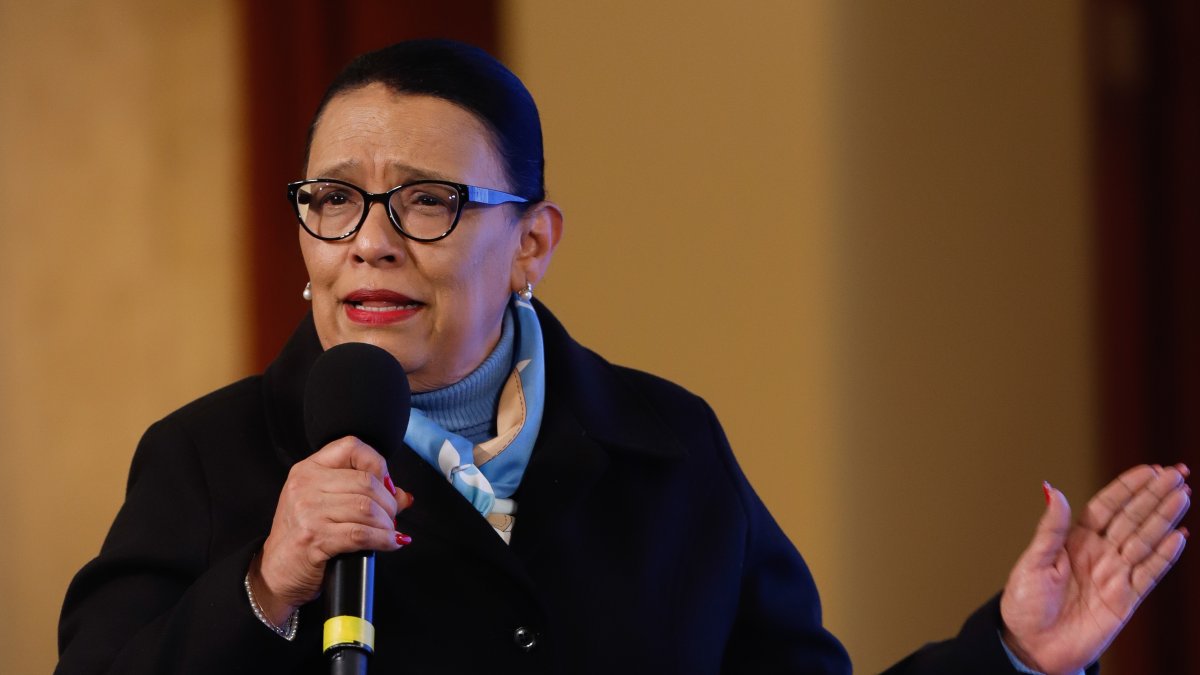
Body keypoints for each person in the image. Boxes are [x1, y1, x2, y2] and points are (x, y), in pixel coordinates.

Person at [55, 39, 1190, 675]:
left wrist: (1018, 658)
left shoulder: (666, 445)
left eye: (430, 203)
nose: (372, 244)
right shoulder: (209, 461)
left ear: (532, 244)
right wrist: (265, 587)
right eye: (335, 201)